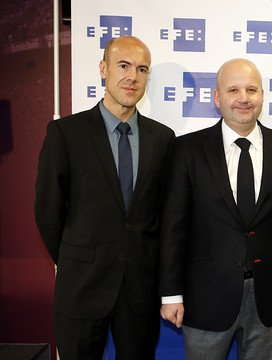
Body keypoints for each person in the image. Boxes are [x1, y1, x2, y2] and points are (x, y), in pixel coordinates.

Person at [158, 58, 272, 360]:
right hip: (205, 297)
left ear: (262, 96)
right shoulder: (187, 149)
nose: (243, 98)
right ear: (217, 98)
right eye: (233, 90)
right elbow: (173, 228)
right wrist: (171, 294)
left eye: (252, 89)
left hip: (269, 296)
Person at [34, 35, 175, 359]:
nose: (132, 77)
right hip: (81, 286)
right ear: (103, 69)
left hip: (140, 289)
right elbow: (48, 212)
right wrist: (77, 258)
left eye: (142, 69)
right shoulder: (66, 133)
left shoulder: (163, 139)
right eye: (123, 66)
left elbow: (166, 216)